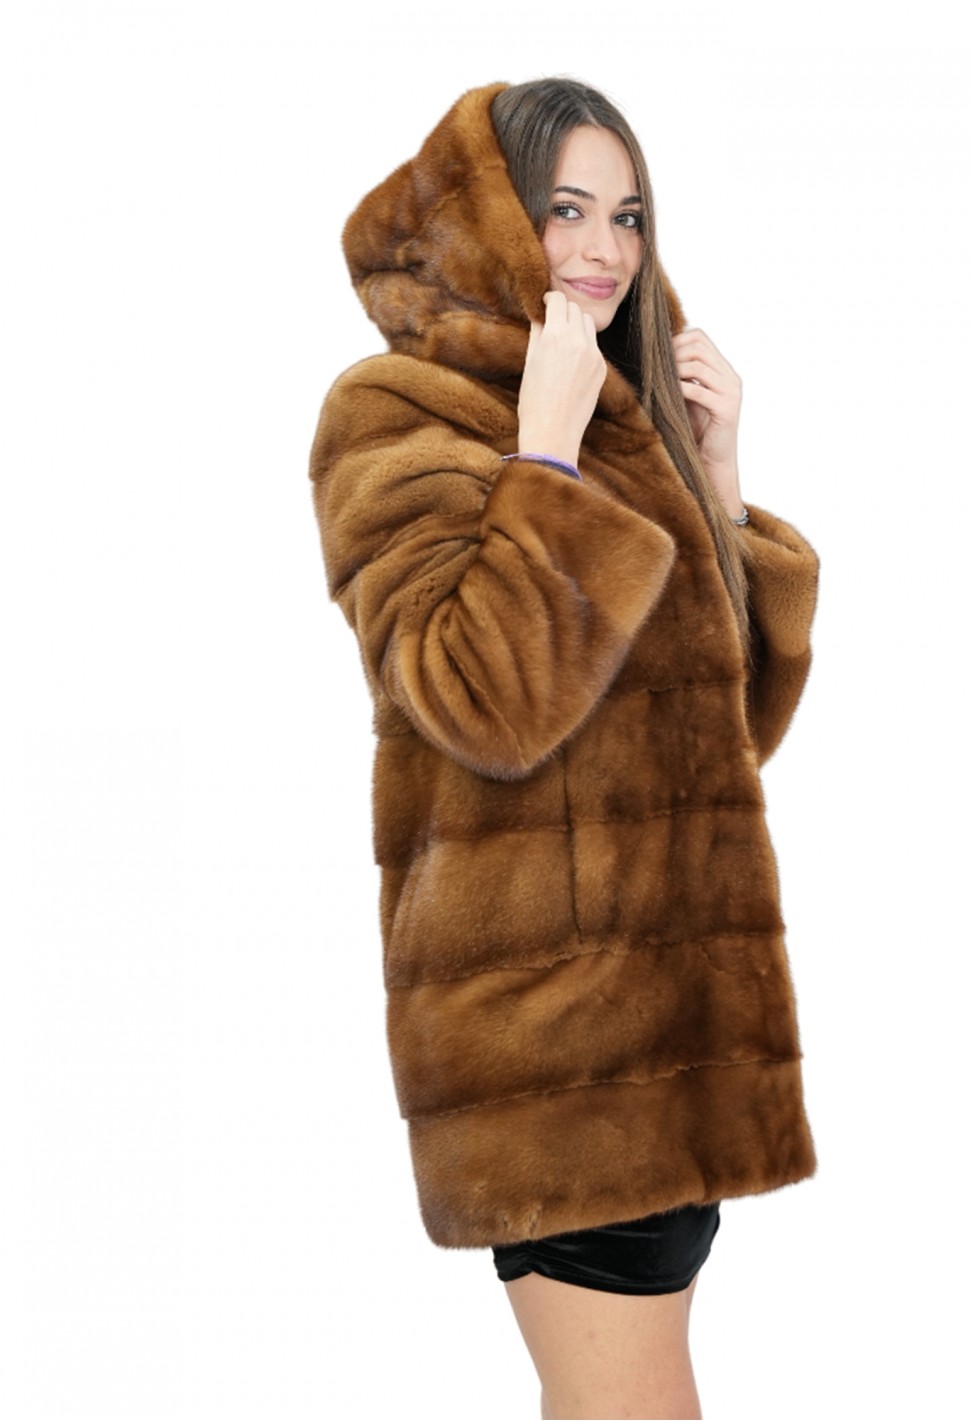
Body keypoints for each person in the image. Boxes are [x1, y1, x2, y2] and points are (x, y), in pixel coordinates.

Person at [309, 78, 821, 1420]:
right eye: (565, 210)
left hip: (674, 1043)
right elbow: (481, 700)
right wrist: (543, 454)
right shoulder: (396, 415)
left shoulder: (626, 415)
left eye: (627, 215)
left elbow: (728, 740)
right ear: (490, 219)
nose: (603, 248)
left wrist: (718, 480)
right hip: (555, 1057)